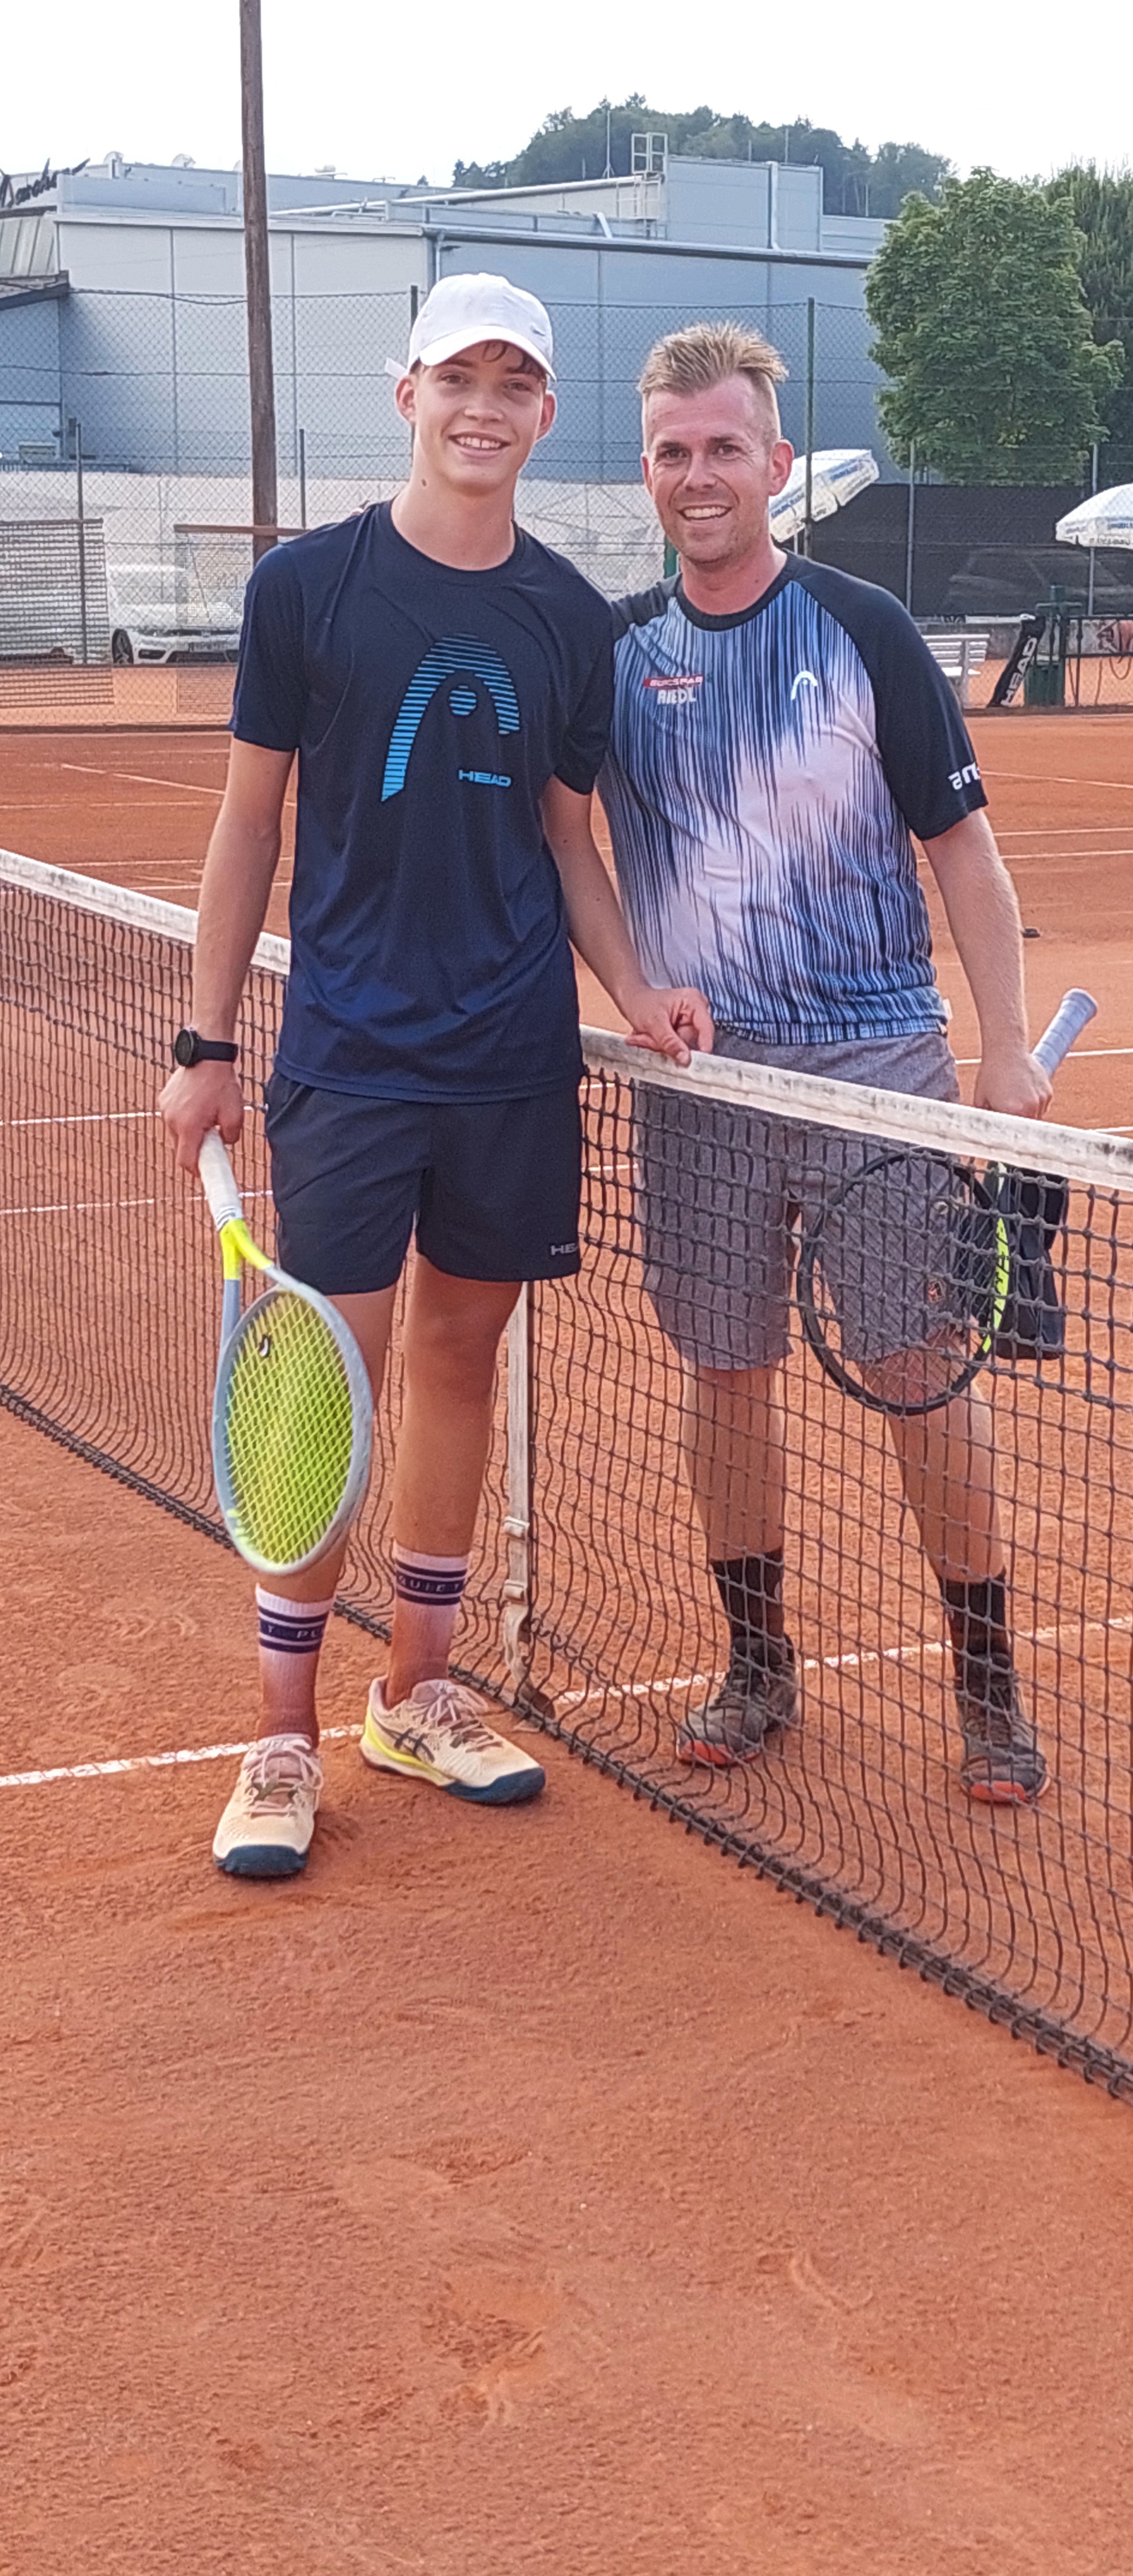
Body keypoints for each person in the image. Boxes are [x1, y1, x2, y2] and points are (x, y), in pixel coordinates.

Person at [161, 272, 710, 1879]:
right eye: (456, 377)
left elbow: (568, 839)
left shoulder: (571, 622)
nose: (484, 406)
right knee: (326, 1381)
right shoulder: (305, 590)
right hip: (350, 1055)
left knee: (462, 1357)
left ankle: (414, 1693)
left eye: (513, 382)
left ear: (546, 413)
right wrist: (205, 1045)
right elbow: (249, 823)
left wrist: (635, 988)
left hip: (510, 1060)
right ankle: (282, 1731)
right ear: (407, 394)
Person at [601, 321, 1052, 1804]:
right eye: (673, 451)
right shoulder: (615, 655)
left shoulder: (866, 630)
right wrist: (625, 990)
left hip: (879, 1068)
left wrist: (1006, 1053)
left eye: (725, 448)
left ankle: (987, 1688)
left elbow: (964, 853)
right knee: (724, 1371)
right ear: (648, 468)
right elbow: (552, 842)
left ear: (777, 464)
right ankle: (758, 1664)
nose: (699, 475)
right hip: (704, 1082)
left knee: (919, 1373)